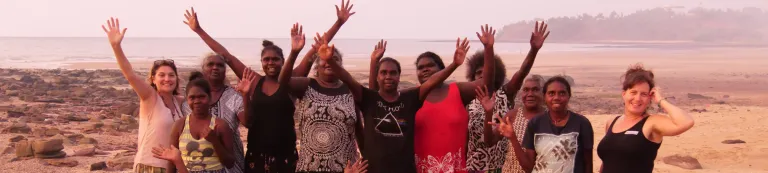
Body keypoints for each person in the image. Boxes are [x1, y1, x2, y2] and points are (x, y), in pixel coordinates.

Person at [324, 36, 471, 173]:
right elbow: (348, 78)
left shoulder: (410, 99)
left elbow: (431, 82)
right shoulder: (368, 98)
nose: (388, 76)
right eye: (384, 72)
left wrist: (454, 64)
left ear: (399, 76)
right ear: (377, 76)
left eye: (393, 73)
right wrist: (330, 61)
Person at [464, 22, 550, 173]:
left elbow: (522, 72)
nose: (484, 75)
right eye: (479, 73)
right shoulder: (467, 101)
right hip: (475, 168)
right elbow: (464, 137)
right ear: (472, 76)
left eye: (487, 72)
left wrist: (534, 50)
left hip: (503, 166)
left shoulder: (505, 94)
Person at [102, 17, 185, 172]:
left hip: (171, 168)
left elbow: (203, 97)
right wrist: (116, 46)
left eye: (171, 75)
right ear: (153, 79)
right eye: (162, 75)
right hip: (149, 166)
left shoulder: (179, 102)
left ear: (176, 78)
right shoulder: (150, 97)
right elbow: (130, 75)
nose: (167, 79)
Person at [597, 64, 694, 173]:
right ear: (624, 94)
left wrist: (660, 100)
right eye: (633, 92)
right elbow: (608, 162)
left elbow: (686, 122)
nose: (637, 98)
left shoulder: (651, 123)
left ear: (650, 98)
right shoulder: (612, 122)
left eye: (644, 94)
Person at [156, 72, 236, 173]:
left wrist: (215, 141)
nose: (197, 101)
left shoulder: (220, 125)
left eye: (201, 97)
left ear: (209, 98)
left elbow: (230, 163)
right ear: (187, 99)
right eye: (192, 97)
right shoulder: (179, 125)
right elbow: (172, 162)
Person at [182, 52, 246, 173]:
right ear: (203, 69)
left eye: (220, 65)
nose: (215, 67)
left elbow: (247, 122)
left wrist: (246, 95)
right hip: (198, 165)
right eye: (210, 64)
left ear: (225, 70)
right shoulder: (188, 103)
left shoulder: (234, 96)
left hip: (232, 165)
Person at [519, 76, 594, 173]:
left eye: (562, 93)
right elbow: (528, 166)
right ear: (544, 96)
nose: (557, 97)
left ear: (569, 96)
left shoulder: (582, 123)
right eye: (551, 93)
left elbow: (588, 163)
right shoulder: (535, 123)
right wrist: (512, 137)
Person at [487, 75, 546, 173]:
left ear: (543, 93)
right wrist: (488, 112)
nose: (530, 94)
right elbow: (490, 141)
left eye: (535, 89)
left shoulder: (549, 118)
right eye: (526, 90)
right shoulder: (513, 115)